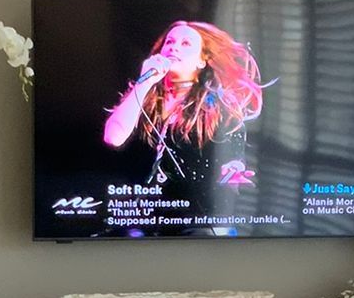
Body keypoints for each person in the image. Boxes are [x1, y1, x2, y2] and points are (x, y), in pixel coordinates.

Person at [103, 20, 266, 183]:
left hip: (193, 204)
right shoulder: (141, 96)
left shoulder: (218, 106)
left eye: (185, 43)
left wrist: (232, 172)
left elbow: (231, 165)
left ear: (201, 61)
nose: (174, 47)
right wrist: (143, 83)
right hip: (142, 202)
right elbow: (113, 137)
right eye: (169, 42)